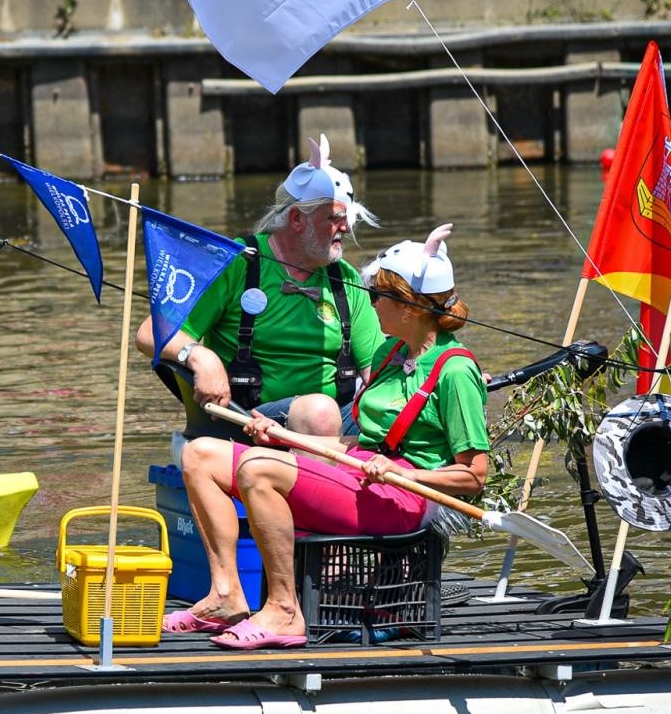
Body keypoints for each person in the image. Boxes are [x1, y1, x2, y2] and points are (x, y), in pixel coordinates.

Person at [165, 227, 491, 648]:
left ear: (409, 307)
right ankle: (226, 596)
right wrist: (285, 436)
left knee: (258, 471)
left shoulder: (455, 370)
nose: (370, 303)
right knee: (200, 455)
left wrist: (397, 472)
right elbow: (360, 445)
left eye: (378, 296)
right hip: (366, 479)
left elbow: (473, 476)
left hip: (405, 499)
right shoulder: (390, 354)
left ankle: (284, 611)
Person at [133, 135, 383, 439]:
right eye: (335, 219)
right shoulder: (236, 263)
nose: (345, 228)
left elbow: (378, 376)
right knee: (319, 413)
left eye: (347, 219)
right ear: (296, 219)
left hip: (334, 423)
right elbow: (149, 333)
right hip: (246, 420)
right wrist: (200, 357)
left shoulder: (344, 279)